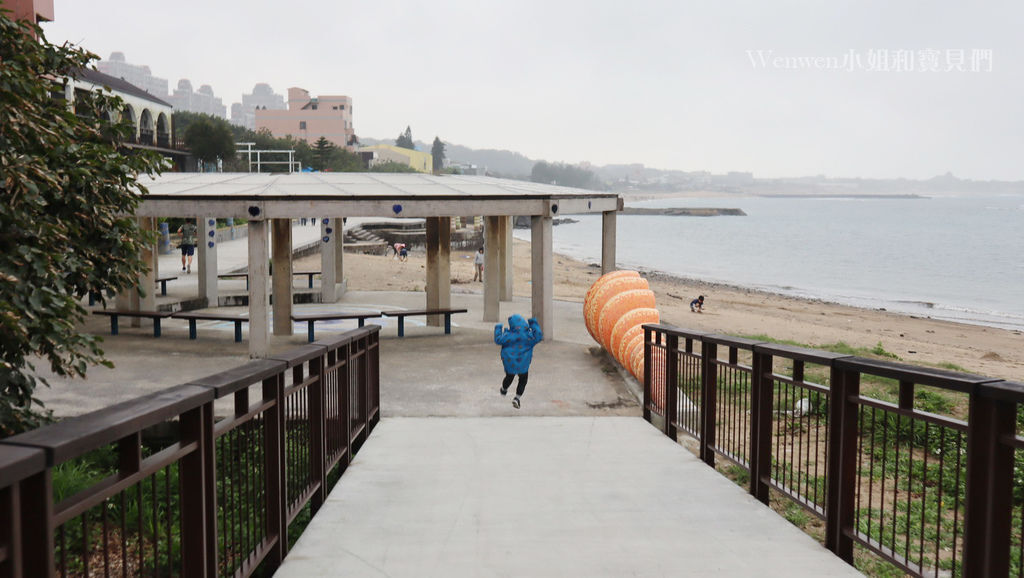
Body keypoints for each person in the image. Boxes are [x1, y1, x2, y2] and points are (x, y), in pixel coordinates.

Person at [494, 314, 543, 409]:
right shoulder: (528, 336)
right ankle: (517, 398)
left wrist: (498, 327)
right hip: (523, 365)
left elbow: (498, 339)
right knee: (523, 380)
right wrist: (533, 323)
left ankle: (504, 389)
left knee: (509, 377)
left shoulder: (507, 336)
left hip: (510, 364)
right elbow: (539, 336)